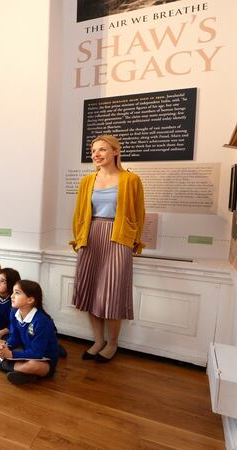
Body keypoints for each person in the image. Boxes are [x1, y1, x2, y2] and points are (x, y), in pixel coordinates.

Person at [70, 134, 145, 362]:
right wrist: (78, 239)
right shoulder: (87, 181)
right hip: (91, 236)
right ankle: (98, 340)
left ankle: (112, 343)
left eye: (102, 149)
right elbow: (79, 213)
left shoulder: (131, 180)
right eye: (94, 151)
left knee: (112, 293)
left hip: (118, 238)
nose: (97, 154)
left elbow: (138, 214)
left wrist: (133, 240)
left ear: (115, 151)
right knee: (91, 290)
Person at [0, 280, 60, 385]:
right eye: (13, 292)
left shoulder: (41, 321)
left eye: (17, 293)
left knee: (34, 366)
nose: (12, 296)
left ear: (30, 300)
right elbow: (14, 338)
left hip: (42, 358)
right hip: (24, 350)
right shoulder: (14, 312)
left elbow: (37, 353)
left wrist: (11, 354)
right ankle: (25, 374)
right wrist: (5, 346)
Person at [0, 268, 21, 340]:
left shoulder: (14, 301)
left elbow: (15, 323)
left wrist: (1, 333)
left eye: (3, 281)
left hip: (7, 332)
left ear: (11, 284)